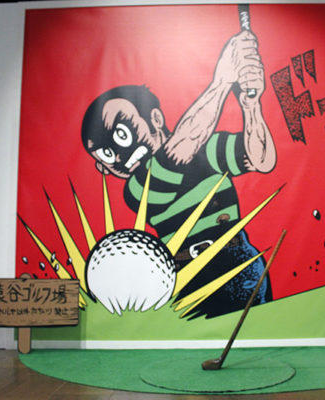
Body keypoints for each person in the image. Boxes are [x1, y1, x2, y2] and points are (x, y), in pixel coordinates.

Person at [81, 30, 276, 318]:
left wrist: (251, 104)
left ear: (156, 119)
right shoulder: (137, 188)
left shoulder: (207, 149)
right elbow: (176, 154)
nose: (120, 156)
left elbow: (261, 159)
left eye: (123, 134)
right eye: (107, 154)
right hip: (187, 276)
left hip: (239, 263)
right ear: (102, 167)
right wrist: (223, 80)